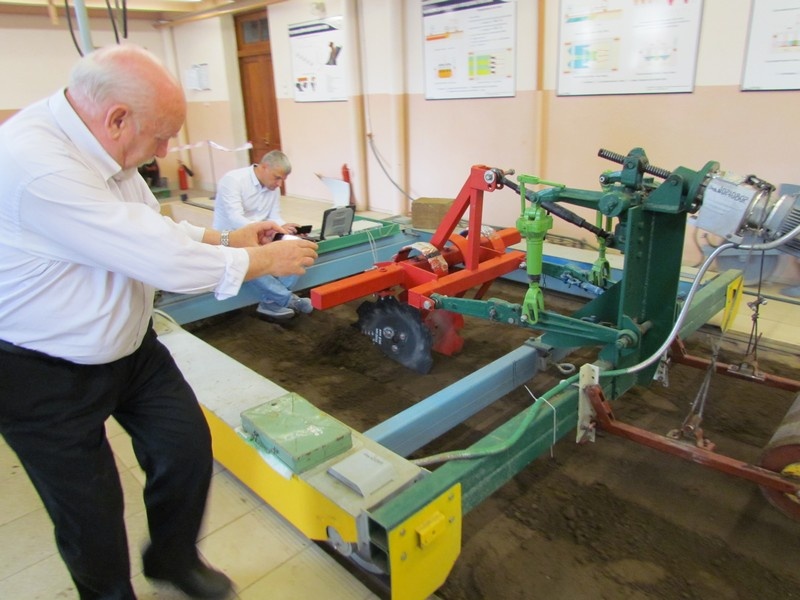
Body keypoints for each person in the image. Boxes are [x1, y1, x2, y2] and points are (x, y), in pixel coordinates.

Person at [0, 44, 318, 600]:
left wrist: (226, 237)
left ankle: (173, 559)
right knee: (91, 510)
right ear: (117, 118)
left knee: (184, 447)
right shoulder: (35, 164)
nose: (166, 151)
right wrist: (262, 260)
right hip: (43, 371)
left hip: (131, 349)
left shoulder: (109, 149)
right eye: (162, 136)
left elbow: (150, 225)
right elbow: (160, 258)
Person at [213, 150, 314, 319]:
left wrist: (284, 227)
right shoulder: (233, 180)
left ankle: (270, 302)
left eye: (282, 180)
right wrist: (265, 229)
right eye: (277, 178)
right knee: (250, 260)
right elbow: (234, 217)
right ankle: (288, 299)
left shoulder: (272, 187)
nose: (279, 184)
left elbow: (274, 215)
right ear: (264, 167)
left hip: (262, 235)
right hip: (230, 237)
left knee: (299, 250)